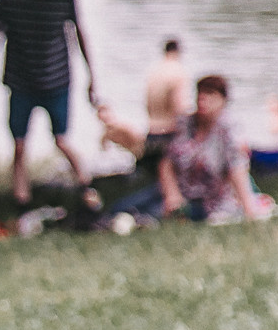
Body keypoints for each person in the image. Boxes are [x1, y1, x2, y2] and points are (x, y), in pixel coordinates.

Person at [0, 0, 98, 206]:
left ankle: (86, 186)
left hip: (57, 80)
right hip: (21, 81)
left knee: (61, 139)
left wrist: (91, 77)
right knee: (19, 145)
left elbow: (79, 34)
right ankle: (21, 200)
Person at [104, 75, 267, 225]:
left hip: (208, 199)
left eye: (210, 95)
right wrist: (172, 194)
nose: (203, 100)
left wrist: (249, 211)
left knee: (150, 216)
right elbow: (167, 163)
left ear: (222, 100)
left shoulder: (228, 130)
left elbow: (237, 169)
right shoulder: (186, 124)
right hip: (175, 189)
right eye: (200, 94)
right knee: (120, 209)